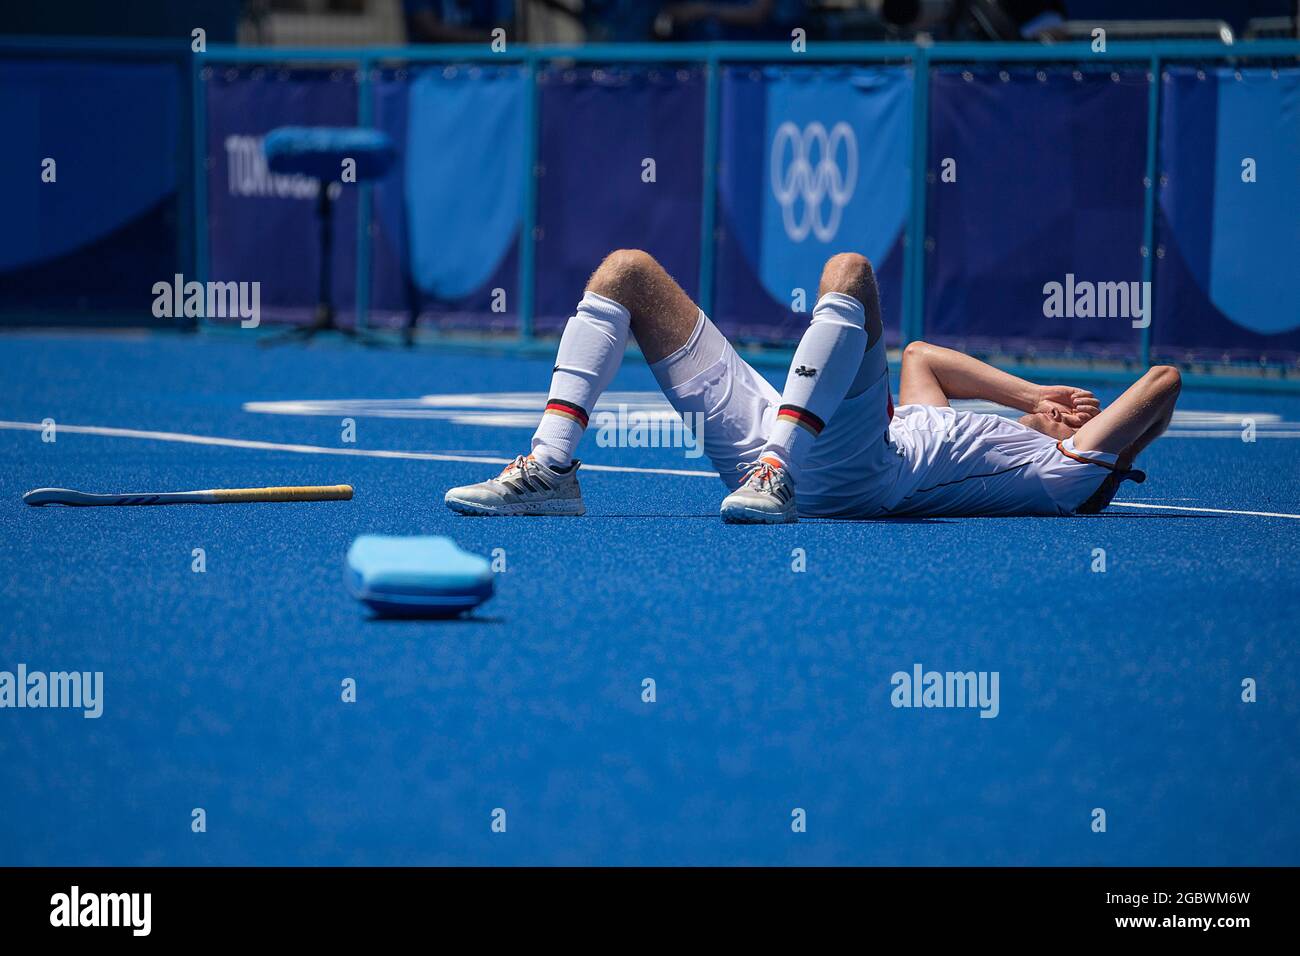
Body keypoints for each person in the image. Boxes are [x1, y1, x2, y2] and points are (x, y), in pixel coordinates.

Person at [444, 249, 1179, 522]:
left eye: (1084, 425)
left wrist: (1091, 432)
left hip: (849, 474)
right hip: (790, 435)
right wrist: (1027, 397)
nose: (1071, 419)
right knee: (626, 273)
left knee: (851, 274)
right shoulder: (970, 427)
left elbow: (1162, 382)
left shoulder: (1060, 479)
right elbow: (922, 356)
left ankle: (775, 470)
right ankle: (552, 467)